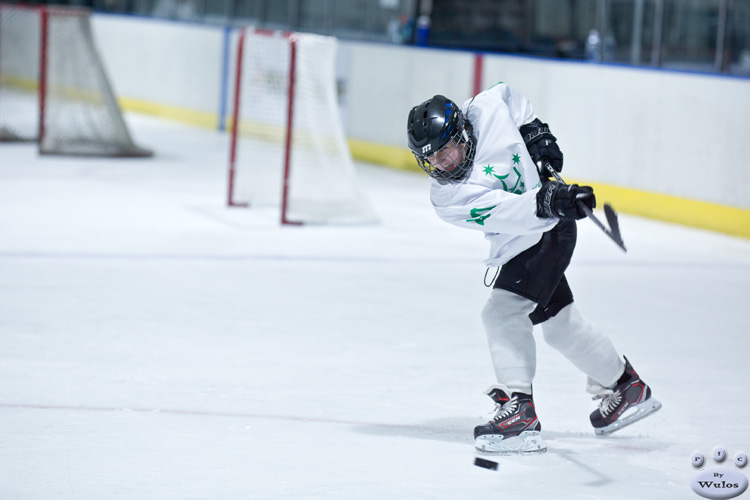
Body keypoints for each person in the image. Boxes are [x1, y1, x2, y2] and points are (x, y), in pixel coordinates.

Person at [406, 85, 661, 455]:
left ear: (462, 131)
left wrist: (536, 136)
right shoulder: (447, 197)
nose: (443, 164)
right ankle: (626, 386)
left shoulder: (486, 108)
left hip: (546, 237)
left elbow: (511, 99)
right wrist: (552, 200)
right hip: (532, 232)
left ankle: (519, 410)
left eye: (447, 150)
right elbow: (513, 213)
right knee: (561, 326)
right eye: (433, 160)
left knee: (502, 312)